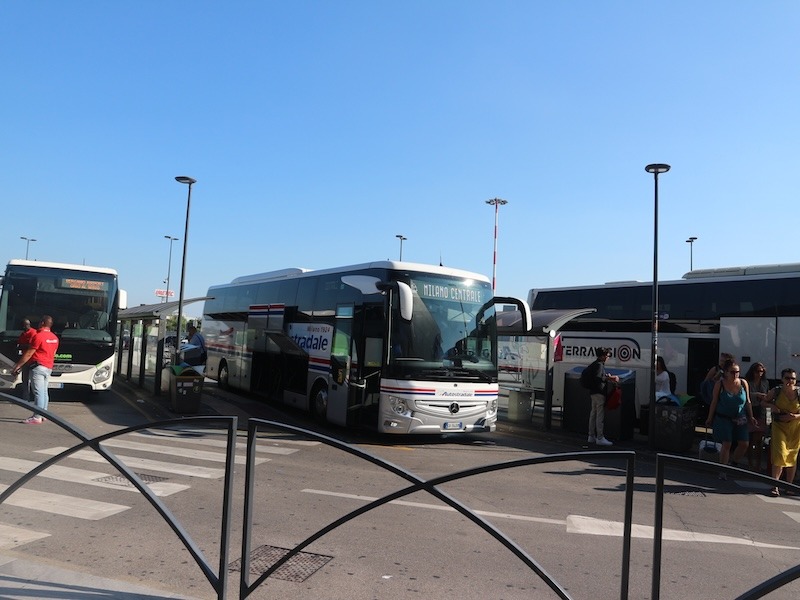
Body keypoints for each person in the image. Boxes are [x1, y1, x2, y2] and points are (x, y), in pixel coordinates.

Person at [705, 359, 757, 479]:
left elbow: (748, 401)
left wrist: (751, 416)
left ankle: (733, 464)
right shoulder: (720, 384)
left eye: (737, 372)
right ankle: (722, 470)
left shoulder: (743, 383)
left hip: (740, 418)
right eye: (733, 372)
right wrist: (709, 417)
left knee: (744, 443)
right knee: (727, 442)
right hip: (724, 418)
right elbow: (714, 401)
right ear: (726, 372)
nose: (735, 374)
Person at [11, 315, 59, 424]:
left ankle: (37, 416)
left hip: (38, 367)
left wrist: (18, 365)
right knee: (44, 391)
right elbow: (53, 353)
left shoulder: (39, 336)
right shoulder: (54, 338)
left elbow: (28, 354)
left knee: (38, 392)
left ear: (42, 323)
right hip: (48, 367)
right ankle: (44, 414)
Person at [764, 368, 800, 497]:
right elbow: (764, 402)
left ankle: (788, 486)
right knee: (780, 454)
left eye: (793, 378)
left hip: (795, 429)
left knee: (792, 457)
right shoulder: (776, 391)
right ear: (782, 379)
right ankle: (775, 485)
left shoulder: (799, 393)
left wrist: (795, 417)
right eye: (787, 378)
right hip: (779, 426)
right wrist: (772, 406)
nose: (790, 381)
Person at [584, 347, 619, 446]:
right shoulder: (599, 365)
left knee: (593, 413)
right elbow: (599, 378)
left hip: (593, 392)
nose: (608, 357)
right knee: (600, 414)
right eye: (607, 356)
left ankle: (591, 436)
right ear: (603, 356)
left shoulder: (594, 364)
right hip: (599, 392)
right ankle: (600, 437)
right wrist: (610, 377)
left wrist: (605, 376)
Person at [744, 362, 769, 471]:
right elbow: (746, 395)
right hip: (750, 411)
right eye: (757, 371)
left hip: (761, 412)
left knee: (759, 441)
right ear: (752, 372)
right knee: (749, 440)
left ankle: (758, 464)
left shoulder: (765, 382)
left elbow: (768, 396)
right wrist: (758, 395)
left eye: (761, 371)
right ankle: (750, 463)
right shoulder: (748, 382)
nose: (759, 374)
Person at [16, 318, 37, 402]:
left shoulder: (33, 332)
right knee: (25, 379)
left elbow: (32, 346)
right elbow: (19, 344)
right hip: (24, 359)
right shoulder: (23, 334)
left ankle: (35, 397)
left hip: (32, 360)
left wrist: (23, 346)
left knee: (34, 380)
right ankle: (25, 398)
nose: (25, 327)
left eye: (26, 325)